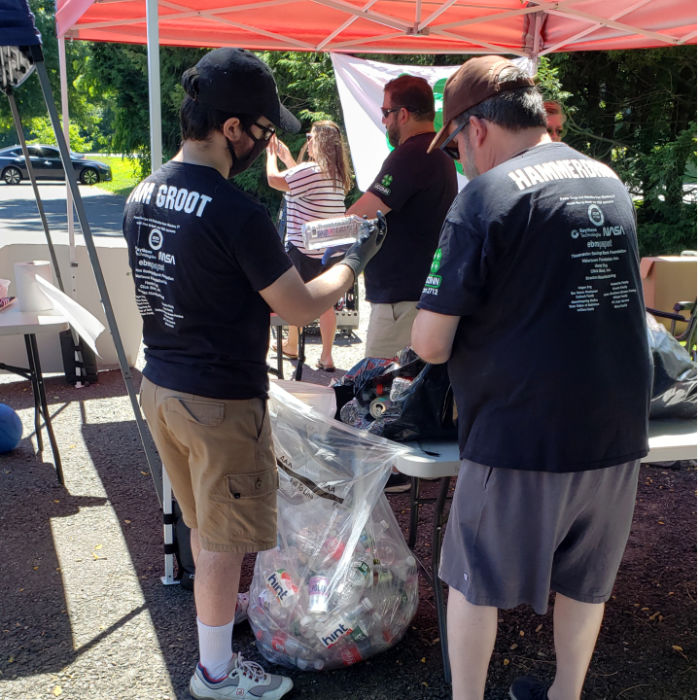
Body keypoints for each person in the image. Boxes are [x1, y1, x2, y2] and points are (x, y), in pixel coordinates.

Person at [123, 48, 385, 700]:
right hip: (218, 401)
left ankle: (219, 619)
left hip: (162, 386)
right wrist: (355, 261)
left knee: (205, 522)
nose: (269, 143)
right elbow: (298, 304)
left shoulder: (144, 193)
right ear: (233, 127)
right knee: (222, 536)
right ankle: (215, 672)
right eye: (266, 131)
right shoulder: (237, 212)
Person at [411, 55, 651, 700]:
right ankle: (565, 693)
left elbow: (430, 344)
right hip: (618, 423)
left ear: (477, 128)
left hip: (523, 426)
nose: (458, 159)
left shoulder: (486, 196)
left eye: (455, 144)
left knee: (473, 579)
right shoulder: (606, 178)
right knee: (585, 578)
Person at [347, 74, 458, 360]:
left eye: (386, 113)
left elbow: (359, 215)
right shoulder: (438, 153)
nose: (384, 121)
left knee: (376, 392)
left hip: (401, 302)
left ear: (403, 114)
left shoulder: (412, 154)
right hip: (419, 293)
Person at [266, 120, 353, 371]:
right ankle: (325, 355)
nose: (308, 141)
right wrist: (289, 160)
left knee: (294, 299)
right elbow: (301, 185)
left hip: (301, 249)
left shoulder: (311, 171)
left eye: (310, 137)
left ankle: (292, 344)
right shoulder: (336, 176)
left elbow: (275, 180)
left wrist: (271, 156)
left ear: (320, 142)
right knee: (324, 304)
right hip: (327, 251)